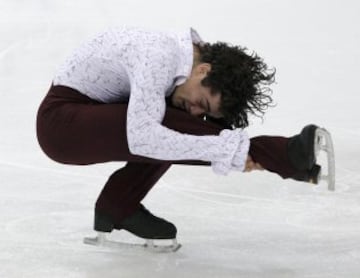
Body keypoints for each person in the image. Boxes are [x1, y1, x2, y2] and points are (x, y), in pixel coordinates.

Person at [36, 26, 326, 248]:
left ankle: (118, 206)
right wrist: (226, 149)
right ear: (203, 70)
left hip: (87, 116)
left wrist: (225, 148)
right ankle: (282, 154)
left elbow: (160, 135)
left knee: (171, 121)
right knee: (160, 125)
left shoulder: (181, 66)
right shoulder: (159, 57)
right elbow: (143, 138)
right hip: (61, 125)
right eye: (205, 101)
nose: (197, 109)